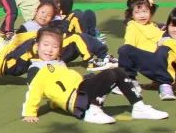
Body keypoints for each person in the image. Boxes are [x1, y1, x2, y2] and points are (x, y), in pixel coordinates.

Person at [22, 27, 168, 125]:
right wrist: (29, 112)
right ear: (37, 46)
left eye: (54, 47)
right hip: (76, 99)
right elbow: (34, 90)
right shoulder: (37, 68)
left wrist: (54, 103)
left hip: (81, 91)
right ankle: (92, 110)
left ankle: (138, 106)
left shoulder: (59, 63)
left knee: (118, 71)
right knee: (109, 74)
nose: (49, 50)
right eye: (45, 45)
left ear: (60, 50)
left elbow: (56, 87)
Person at [117, 0, 168, 96]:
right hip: (148, 61)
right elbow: (129, 47)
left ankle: (163, 82)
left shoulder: (153, 25)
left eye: (145, 11)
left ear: (150, 12)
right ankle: (129, 80)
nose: (142, 15)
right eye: (137, 12)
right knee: (125, 49)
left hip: (163, 61)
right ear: (132, 15)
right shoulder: (133, 26)